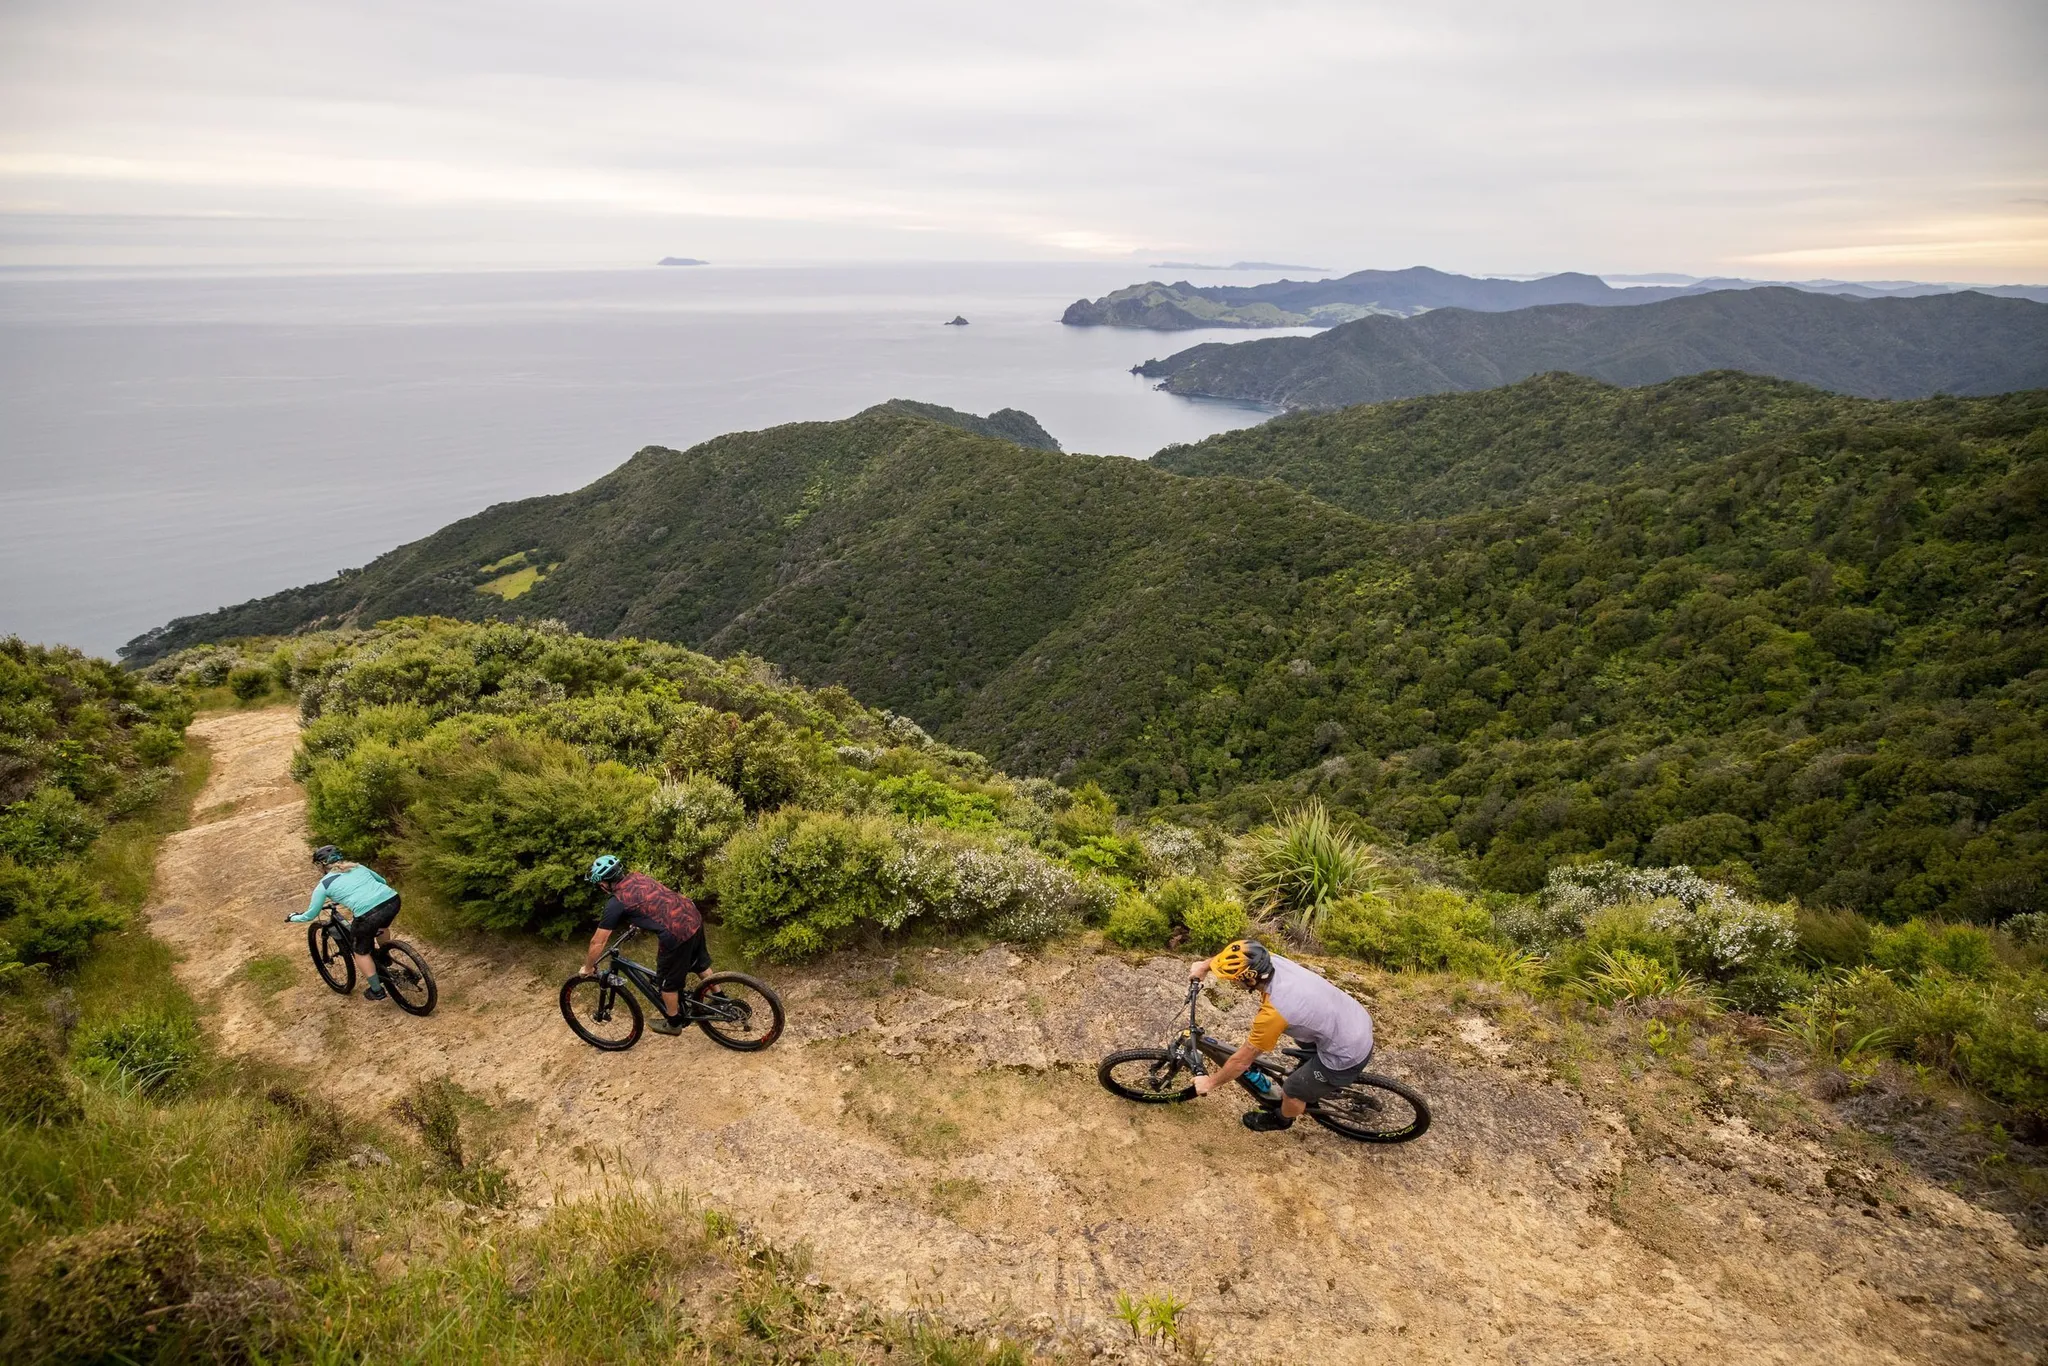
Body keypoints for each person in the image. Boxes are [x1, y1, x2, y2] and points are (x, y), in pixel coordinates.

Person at [1188, 938, 1375, 1132]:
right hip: (1353, 1018)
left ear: (1251, 979)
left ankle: (1282, 1119)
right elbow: (1238, 954)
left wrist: (1209, 1083)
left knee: (1292, 1090)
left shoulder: (1275, 1012)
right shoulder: (1268, 961)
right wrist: (1204, 966)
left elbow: (1241, 1062)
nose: (1233, 982)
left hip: (1347, 1050)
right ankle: (1316, 1078)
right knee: (1301, 1038)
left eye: (1235, 979)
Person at [576, 855, 708, 1036]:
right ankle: (719, 998)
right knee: (699, 963)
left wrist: (588, 967)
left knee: (666, 983)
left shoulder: (616, 903)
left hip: (676, 934)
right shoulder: (638, 877)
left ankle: (674, 1022)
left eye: (600, 885)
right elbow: (654, 899)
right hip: (691, 915)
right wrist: (637, 920)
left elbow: (597, 941)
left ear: (605, 884)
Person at [289, 844, 402, 1001]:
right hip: (392, 900)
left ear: (321, 865)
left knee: (360, 951)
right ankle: (385, 955)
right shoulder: (358, 867)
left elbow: (310, 915)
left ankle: (377, 990)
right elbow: (381, 880)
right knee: (381, 927)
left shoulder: (324, 885)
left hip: (368, 914)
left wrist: (293, 917)